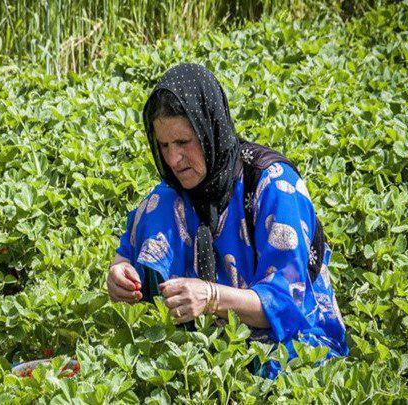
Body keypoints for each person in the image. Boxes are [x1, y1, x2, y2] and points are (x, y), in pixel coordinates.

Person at [106, 63, 349, 378]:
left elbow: (288, 303)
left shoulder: (273, 185)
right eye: (164, 145)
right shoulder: (172, 193)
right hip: (211, 345)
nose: (173, 159)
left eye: (183, 143)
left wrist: (211, 297)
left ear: (210, 130)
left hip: (292, 338)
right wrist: (118, 274)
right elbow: (128, 248)